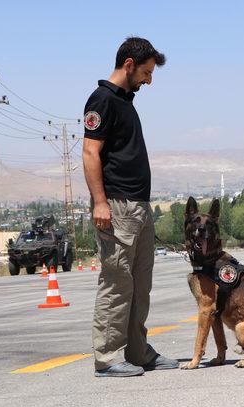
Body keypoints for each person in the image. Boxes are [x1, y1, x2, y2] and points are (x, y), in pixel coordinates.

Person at [82, 37, 178, 377]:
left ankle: (138, 352)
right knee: (117, 283)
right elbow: (91, 152)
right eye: (147, 72)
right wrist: (100, 203)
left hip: (138, 208)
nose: (149, 80)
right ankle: (107, 358)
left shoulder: (125, 101)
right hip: (117, 208)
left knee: (140, 284)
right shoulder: (103, 100)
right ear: (128, 65)